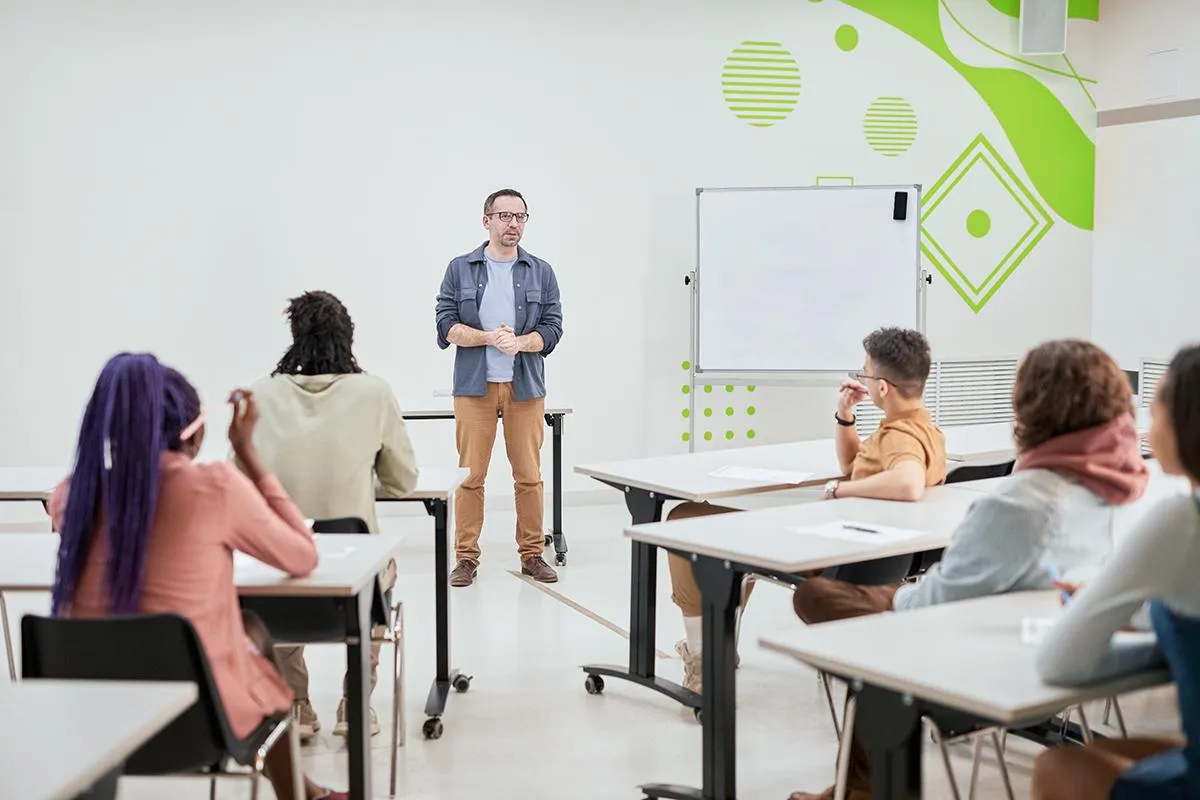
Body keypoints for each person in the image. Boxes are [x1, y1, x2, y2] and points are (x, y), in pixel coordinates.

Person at [788, 338, 1151, 800]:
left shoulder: (1020, 502)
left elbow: (936, 602)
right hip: (1061, 636)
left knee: (849, 627)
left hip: (990, 654)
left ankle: (860, 790)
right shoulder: (1129, 486)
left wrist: (896, 599)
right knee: (861, 620)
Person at [47, 353, 347, 800]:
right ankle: (301, 794)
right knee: (247, 638)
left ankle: (305, 790)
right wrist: (249, 453)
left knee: (249, 631)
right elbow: (302, 555)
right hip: (195, 723)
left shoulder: (72, 496)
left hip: (90, 724)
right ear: (194, 429)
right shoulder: (213, 488)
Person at [666, 327, 947, 694]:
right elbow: (856, 464)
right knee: (701, 524)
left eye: (865, 372)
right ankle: (716, 645)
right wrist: (844, 415)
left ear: (882, 387)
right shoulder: (926, 430)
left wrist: (838, 490)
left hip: (829, 553)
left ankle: (704, 661)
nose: (861, 377)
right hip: (872, 555)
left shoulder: (899, 437)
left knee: (685, 521)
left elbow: (906, 482)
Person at [243, 289, 420, 740]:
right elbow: (403, 482)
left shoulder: (262, 394)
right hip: (353, 567)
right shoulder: (373, 392)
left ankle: (295, 705)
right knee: (384, 574)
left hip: (283, 573)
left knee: (277, 576)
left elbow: (236, 478)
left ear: (294, 337)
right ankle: (355, 705)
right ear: (349, 338)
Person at [1031, 344, 1200, 800]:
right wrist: (1146, 619)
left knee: (1056, 767)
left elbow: (1058, 661)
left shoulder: (1181, 520)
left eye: (1156, 403)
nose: (1146, 425)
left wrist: (1099, 614)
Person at [435, 188, 564, 587]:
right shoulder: (461, 268)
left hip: (525, 389)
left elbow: (553, 329)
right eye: (505, 215)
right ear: (486, 220)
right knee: (471, 477)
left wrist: (521, 343)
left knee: (529, 476)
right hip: (475, 388)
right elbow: (445, 324)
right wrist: (489, 338)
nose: (513, 224)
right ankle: (466, 558)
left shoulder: (540, 271)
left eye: (521, 217)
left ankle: (531, 554)